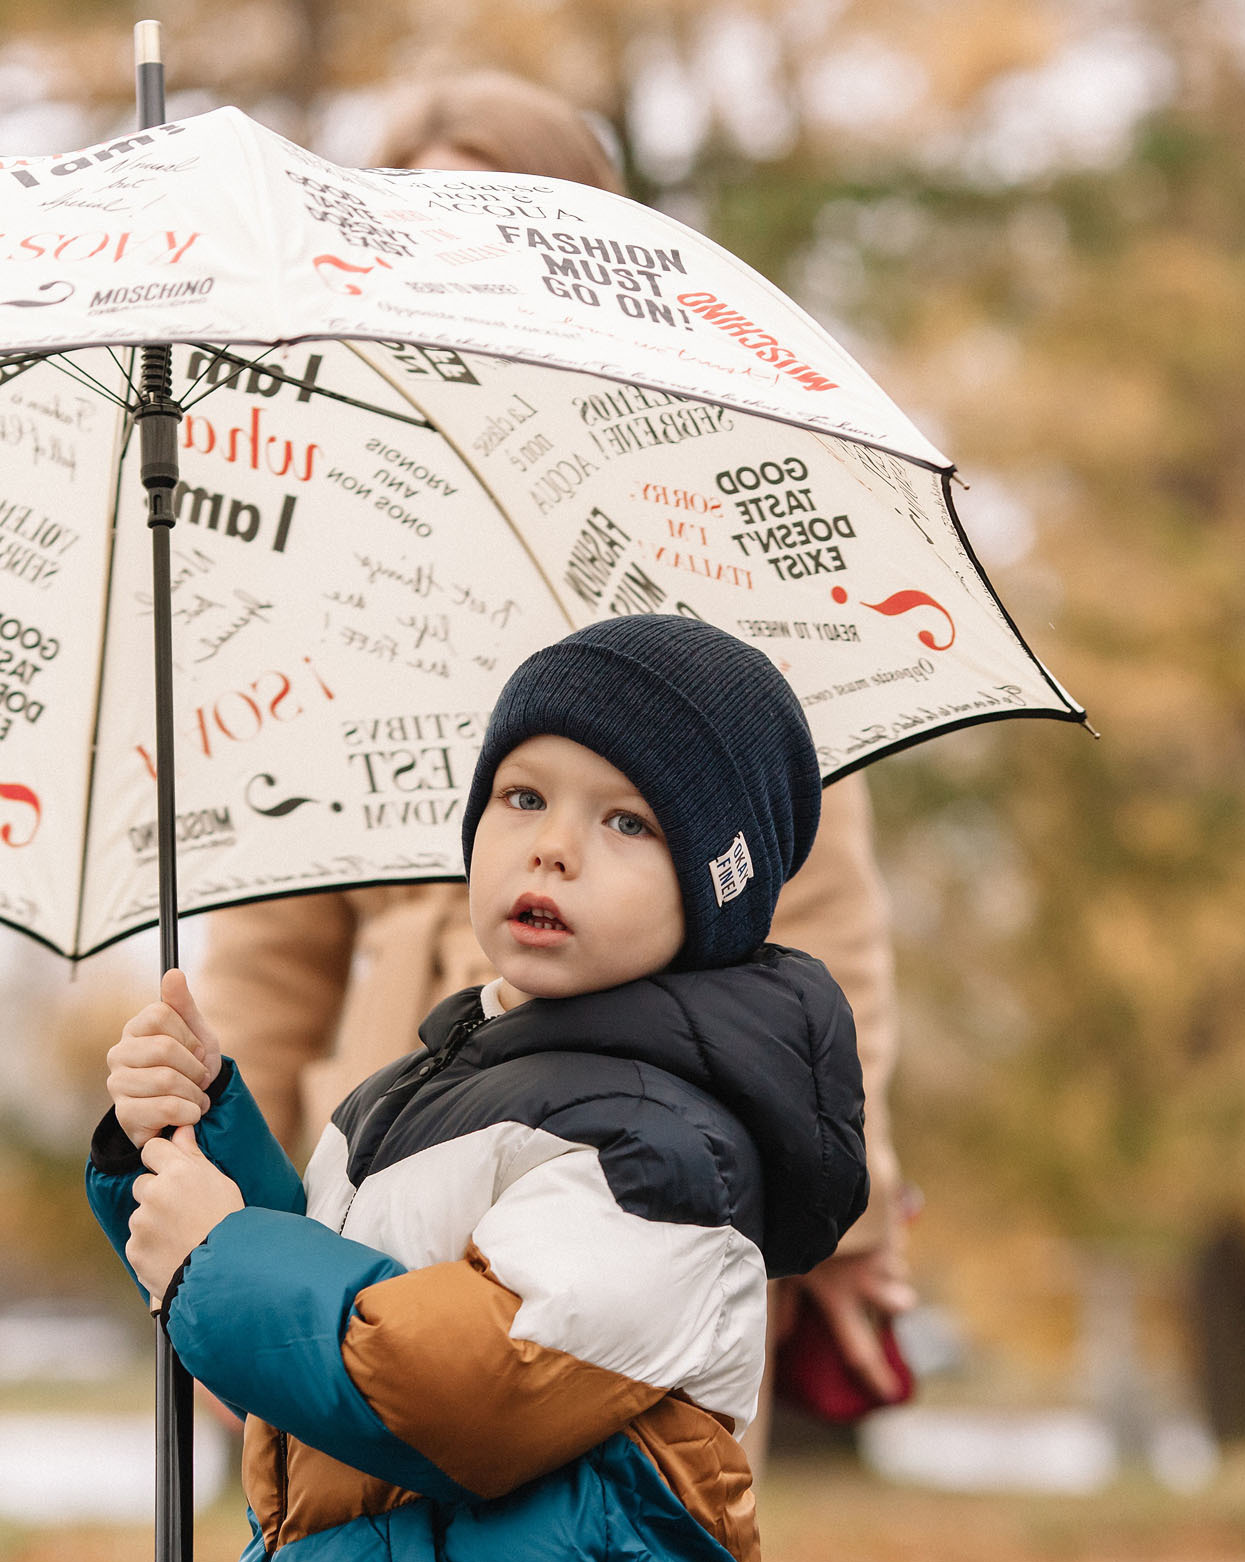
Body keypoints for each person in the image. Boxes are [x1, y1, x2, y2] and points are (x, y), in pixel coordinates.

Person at [197, 67, 917, 1448]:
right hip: (384, 1168)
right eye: (408, 237)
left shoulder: (709, 537)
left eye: (492, 226)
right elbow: (271, 940)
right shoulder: (328, 548)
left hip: (643, 1165)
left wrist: (847, 1195)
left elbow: (820, 913)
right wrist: (241, 1236)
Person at [89, 615, 870, 1562]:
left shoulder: (667, 1154)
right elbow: (354, 1274)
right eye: (523, 795)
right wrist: (197, 1136)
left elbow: (458, 1387)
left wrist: (218, 1258)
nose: (551, 847)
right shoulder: (403, 1092)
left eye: (627, 821)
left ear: (717, 888)